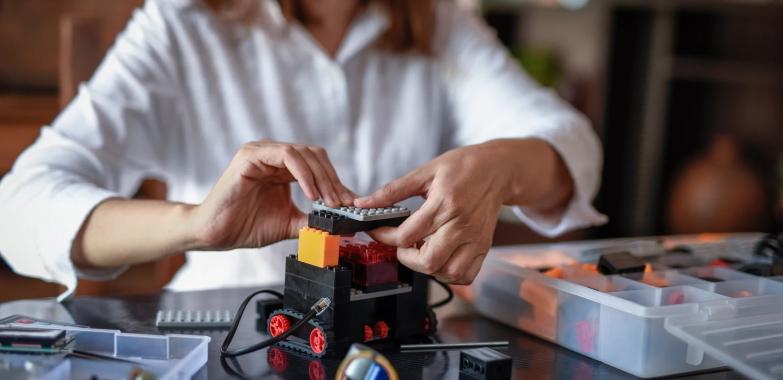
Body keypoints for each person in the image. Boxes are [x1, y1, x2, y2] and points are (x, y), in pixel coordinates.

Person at [0, 0, 606, 301]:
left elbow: (570, 145)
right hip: (225, 329)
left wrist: (500, 168)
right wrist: (193, 223)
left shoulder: (442, 20)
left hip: (397, 341)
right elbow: (17, 210)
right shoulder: (179, 23)